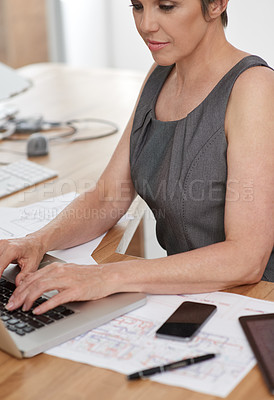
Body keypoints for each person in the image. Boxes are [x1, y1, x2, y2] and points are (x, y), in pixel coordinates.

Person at [0, 0, 273, 316]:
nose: (146, 25)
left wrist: (107, 276)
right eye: (138, 6)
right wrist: (36, 241)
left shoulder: (254, 87)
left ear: (216, 5)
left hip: (252, 303)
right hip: (186, 299)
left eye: (166, 6)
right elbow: (107, 197)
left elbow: (247, 259)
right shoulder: (160, 75)